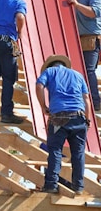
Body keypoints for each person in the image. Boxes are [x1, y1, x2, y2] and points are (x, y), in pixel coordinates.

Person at [36, 54, 90, 194]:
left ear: (50, 66)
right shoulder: (78, 75)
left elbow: (39, 86)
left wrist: (43, 106)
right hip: (79, 117)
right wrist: (87, 119)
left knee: (55, 150)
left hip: (59, 116)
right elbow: (86, 99)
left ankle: (51, 185)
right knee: (78, 153)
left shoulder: (49, 72)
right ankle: (78, 186)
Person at [65, 0, 101, 111]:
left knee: (89, 70)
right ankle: (92, 100)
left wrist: (76, 4)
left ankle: (96, 101)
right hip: (85, 37)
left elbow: (93, 12)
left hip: (91, 37)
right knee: (86, 69)